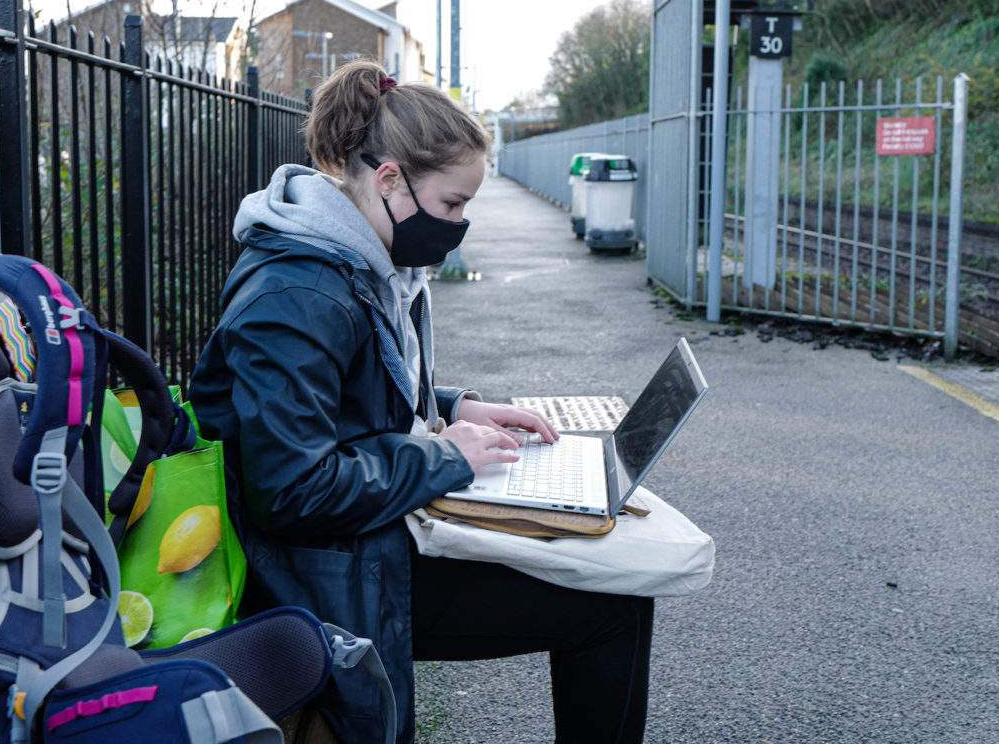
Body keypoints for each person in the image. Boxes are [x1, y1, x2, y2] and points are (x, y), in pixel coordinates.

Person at [188, 59, 654, 743]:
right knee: (612, 607)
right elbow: (290, 492)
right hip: (322, 575)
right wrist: (446, 459)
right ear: (388, 180)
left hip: (364, 540)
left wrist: (455, 409)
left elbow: (346, 392)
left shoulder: (350, 256)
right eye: (452, 204)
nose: (459, 224)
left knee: (614, 583)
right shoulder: (298, 294)